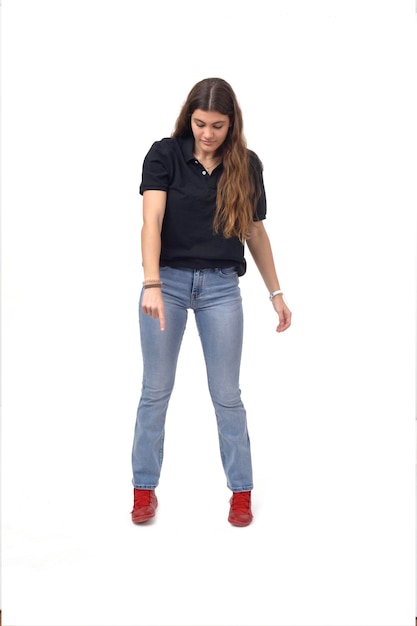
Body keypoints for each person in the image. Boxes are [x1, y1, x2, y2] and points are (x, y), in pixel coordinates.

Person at [131, 77, 291, 527]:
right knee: (155, 391)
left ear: (231, 124)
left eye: (218, 125)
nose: (207, 134)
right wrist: (151, 283)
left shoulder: (246, 165)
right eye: (201, 123)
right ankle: (144, 489)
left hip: (222, 287)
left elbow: (255, 232)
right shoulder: (165, 154)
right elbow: (151, 221)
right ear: (190, 118)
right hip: (167, 284)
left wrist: (276, 293)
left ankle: (241, 493)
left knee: (227, 395)